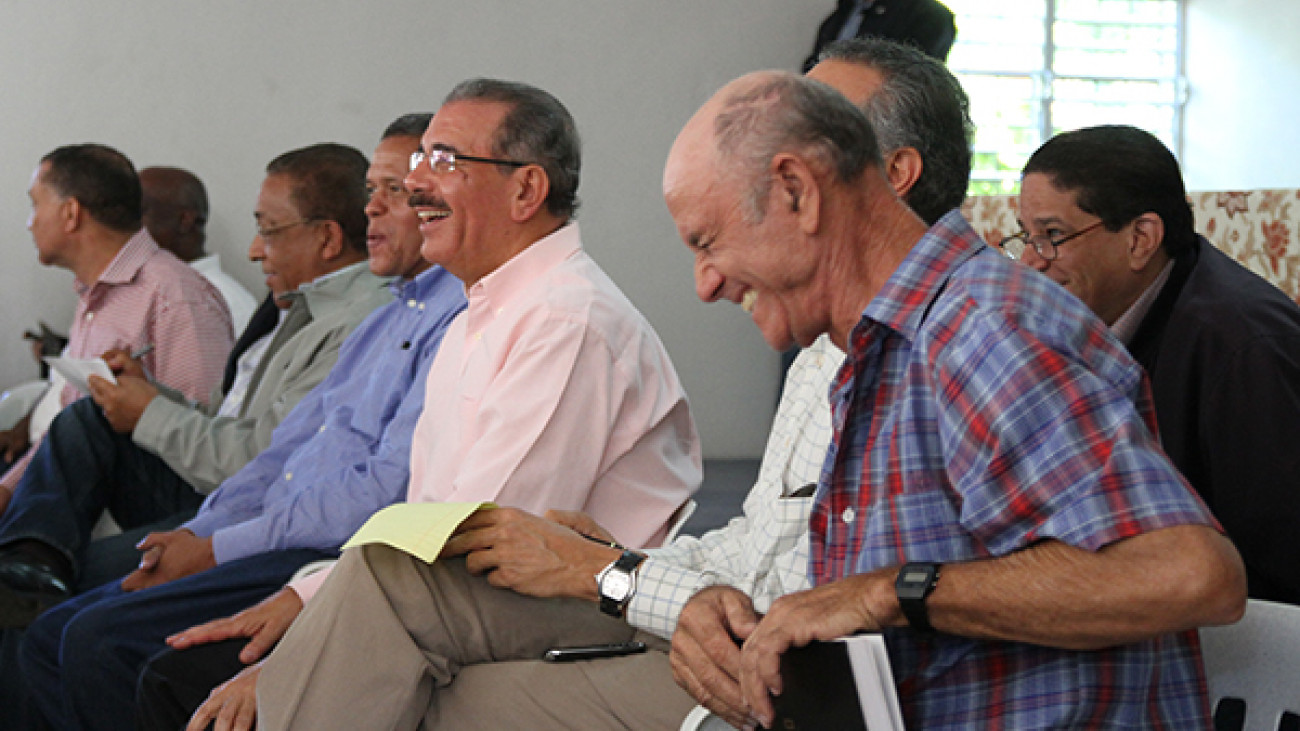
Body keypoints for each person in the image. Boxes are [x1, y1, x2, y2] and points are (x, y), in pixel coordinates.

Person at [194, 42, 971, 731]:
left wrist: (617, 573)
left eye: (443, 164)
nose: (412, 190)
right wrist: (628, 563)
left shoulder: (963, 331)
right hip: (685, 616)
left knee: (369, 621)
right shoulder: (824, 352)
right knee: (379, 637)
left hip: (749, 661)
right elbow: (761, 545)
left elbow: (478, 533)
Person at [668, 71, 1242, 729]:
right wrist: (732, 618)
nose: (704, 284)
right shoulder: (886, 348)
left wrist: (891, 591)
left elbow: (1191, 575)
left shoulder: (979, 329)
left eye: (706, 241)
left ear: (798, 191)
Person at [9, 124, 468, 729]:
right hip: (260, 516)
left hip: (319, 548)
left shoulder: (410, 316)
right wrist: (205, 530)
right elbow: (282, 452)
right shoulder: (387, 316)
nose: (372, 209)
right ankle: (24, 557)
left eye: (399, 190)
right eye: (374, 189)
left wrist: (210, 540)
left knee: (82, 636)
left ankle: (28, 563)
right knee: (50, 625)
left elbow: (379, 487)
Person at [0, 143, 396, 624]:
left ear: (328, 239)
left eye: (268, 231)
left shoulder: (352, 325)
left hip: (245, 509)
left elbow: (261, 464)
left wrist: (148, 413)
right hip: (221, 488)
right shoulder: (301, 308)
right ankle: (30, 560)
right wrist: (147, 395)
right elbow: (227, 420)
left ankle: (32, 581)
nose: (253, 250)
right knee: (89, 415)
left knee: (60, 604)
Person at [1005, 125, 1300, 605]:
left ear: (1141, 238)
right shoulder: (1082, 321)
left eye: (1053, 236)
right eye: (1027, 237)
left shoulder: (1243, 346)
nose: (1031, 264)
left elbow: (1277, 558)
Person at [0, 145, 232, 525]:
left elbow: (201, 434)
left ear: (71, 213)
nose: (29, 223)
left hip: (148, 515)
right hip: (72, 487)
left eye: (35, 204)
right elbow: (65, 429)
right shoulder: (95, 295)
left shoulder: (175, 295)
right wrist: (9, 491)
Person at [140, 166, 259, 332]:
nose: (126, 226)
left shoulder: (226, 302)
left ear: (184, 221)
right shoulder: (144, 288)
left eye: (139, 213)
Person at [802, 0, 957, 71]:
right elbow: (815, 63)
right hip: (830, 117)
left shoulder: (930, 16)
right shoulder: (842, 14)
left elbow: (918, 79)